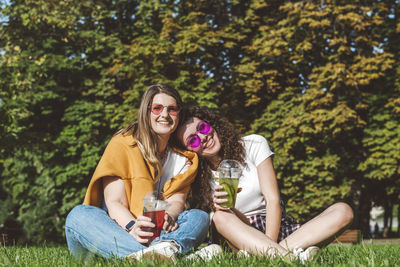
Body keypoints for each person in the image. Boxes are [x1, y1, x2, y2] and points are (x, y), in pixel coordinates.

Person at [175, 106, 354, 262]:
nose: (203, 137)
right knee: (220, 216)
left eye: (202, 127)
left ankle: (270, 257)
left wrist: (269, 245)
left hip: (275, 226)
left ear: (211, 124)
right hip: (239, 236)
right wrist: (227, 208)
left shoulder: (253, 144)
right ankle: (291, 258)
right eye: (193, 140)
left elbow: (273, 200)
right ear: (189, 150)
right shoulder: (198, 175)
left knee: (343, 210)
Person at [65, 84, 209, 261]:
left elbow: (177, 200)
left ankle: (151, 256)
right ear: (146, 112)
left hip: (158, 233)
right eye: (157, 108)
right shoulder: (124, 143)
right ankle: (165, 255)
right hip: (115, 232)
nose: (164, 115)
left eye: (172, 109)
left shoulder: (185, 159)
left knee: (198, 216)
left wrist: (169, 217)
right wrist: (133, 227)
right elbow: (115, 202)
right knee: (79, 215)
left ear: (178, 114)